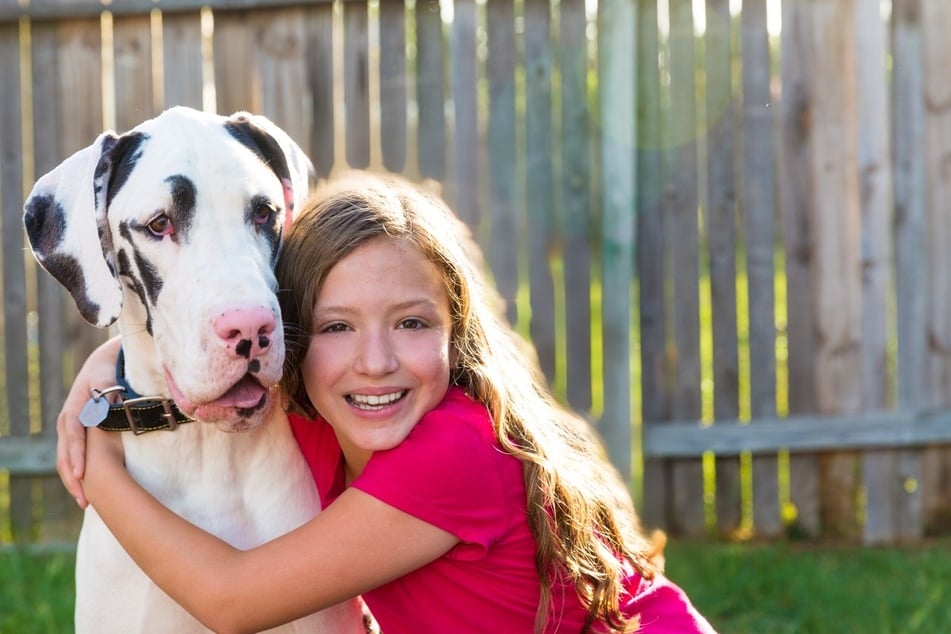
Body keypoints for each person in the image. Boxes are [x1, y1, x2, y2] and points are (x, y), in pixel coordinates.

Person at [59, 172, 717, 633]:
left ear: (456, 330)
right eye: (337, 327)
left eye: (411, 323)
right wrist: (104, 366)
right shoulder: (323, 416)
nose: (374, 362)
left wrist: (100, 472)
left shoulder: (454, 451)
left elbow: (230, 601)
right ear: (293, 335)